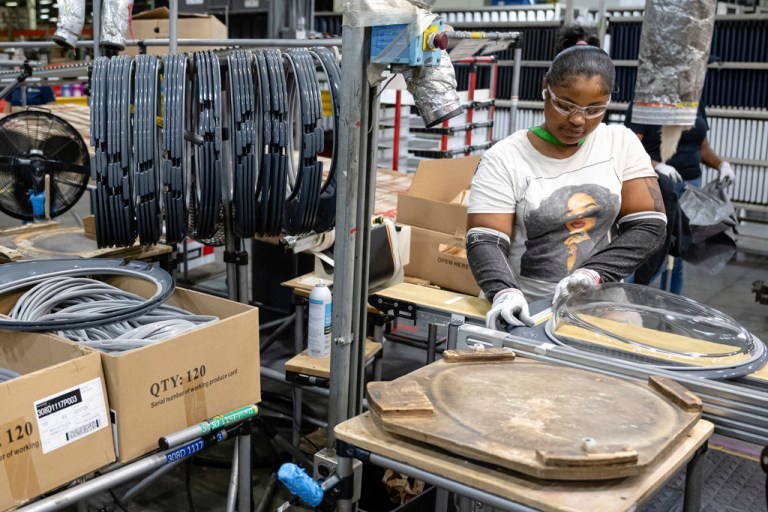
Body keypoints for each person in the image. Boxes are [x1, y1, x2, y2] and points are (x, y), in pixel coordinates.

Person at [466, 26, 668, 330]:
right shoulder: (505, 157)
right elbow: (485, 239)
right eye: (565, 105)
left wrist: (592, 274)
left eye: (594, 110)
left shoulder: (621, 143)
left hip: (600, 302)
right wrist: (504, 291)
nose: (577, 120)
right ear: (545, 89)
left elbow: (649, 225)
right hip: (525, 306)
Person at [624, 99, 735, 294]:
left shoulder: (694, 102)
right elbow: (629, 149)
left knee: (679, 253)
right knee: (654, 252)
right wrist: (657, 165)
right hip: (657, 185)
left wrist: (721, 164)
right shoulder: (645, 102)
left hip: (690, 186)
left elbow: (703, 148)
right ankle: (624, 299)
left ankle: (670, 312)